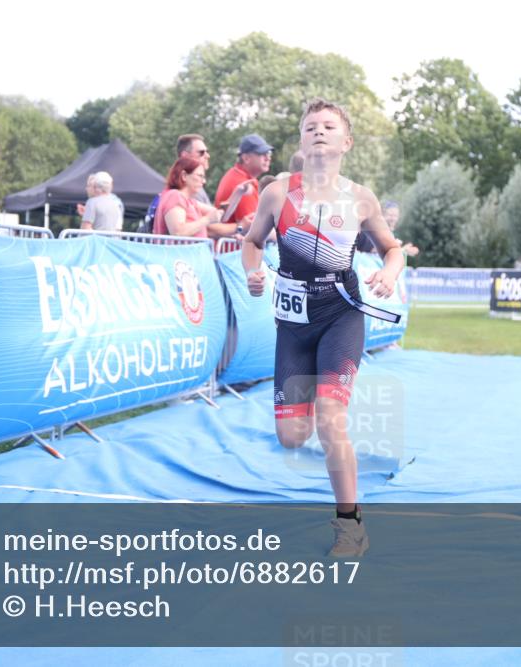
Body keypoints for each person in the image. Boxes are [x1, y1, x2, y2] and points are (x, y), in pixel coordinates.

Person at [242, 99, 405, 557]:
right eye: (310, 126)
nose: (318, 132)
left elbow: (393, 249)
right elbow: (252, 242)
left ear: (345, 143)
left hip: (341, 314)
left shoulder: (360, 198)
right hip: (293, 323)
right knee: (293, 436)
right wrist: (252, 273)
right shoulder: (276, 192)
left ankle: (350, 525)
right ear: (301, 140)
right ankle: (311, 404)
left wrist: (390, 274)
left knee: (333, 420)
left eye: (328, 126)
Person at [215, 134, 272, 233]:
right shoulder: (242, 182)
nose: (268, 158)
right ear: (246, 158)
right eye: (262, 154)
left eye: (269, 153)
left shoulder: (238, 175)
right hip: (235, 247)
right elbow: (254, 227)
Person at [153, 157, 223, 237]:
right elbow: (178, 232)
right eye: (200, 176)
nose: (204, 181)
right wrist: (207, 219)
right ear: (184, 176)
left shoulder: (190, 201)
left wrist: (237, 194)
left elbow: (219, 212)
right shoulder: (175, 196)